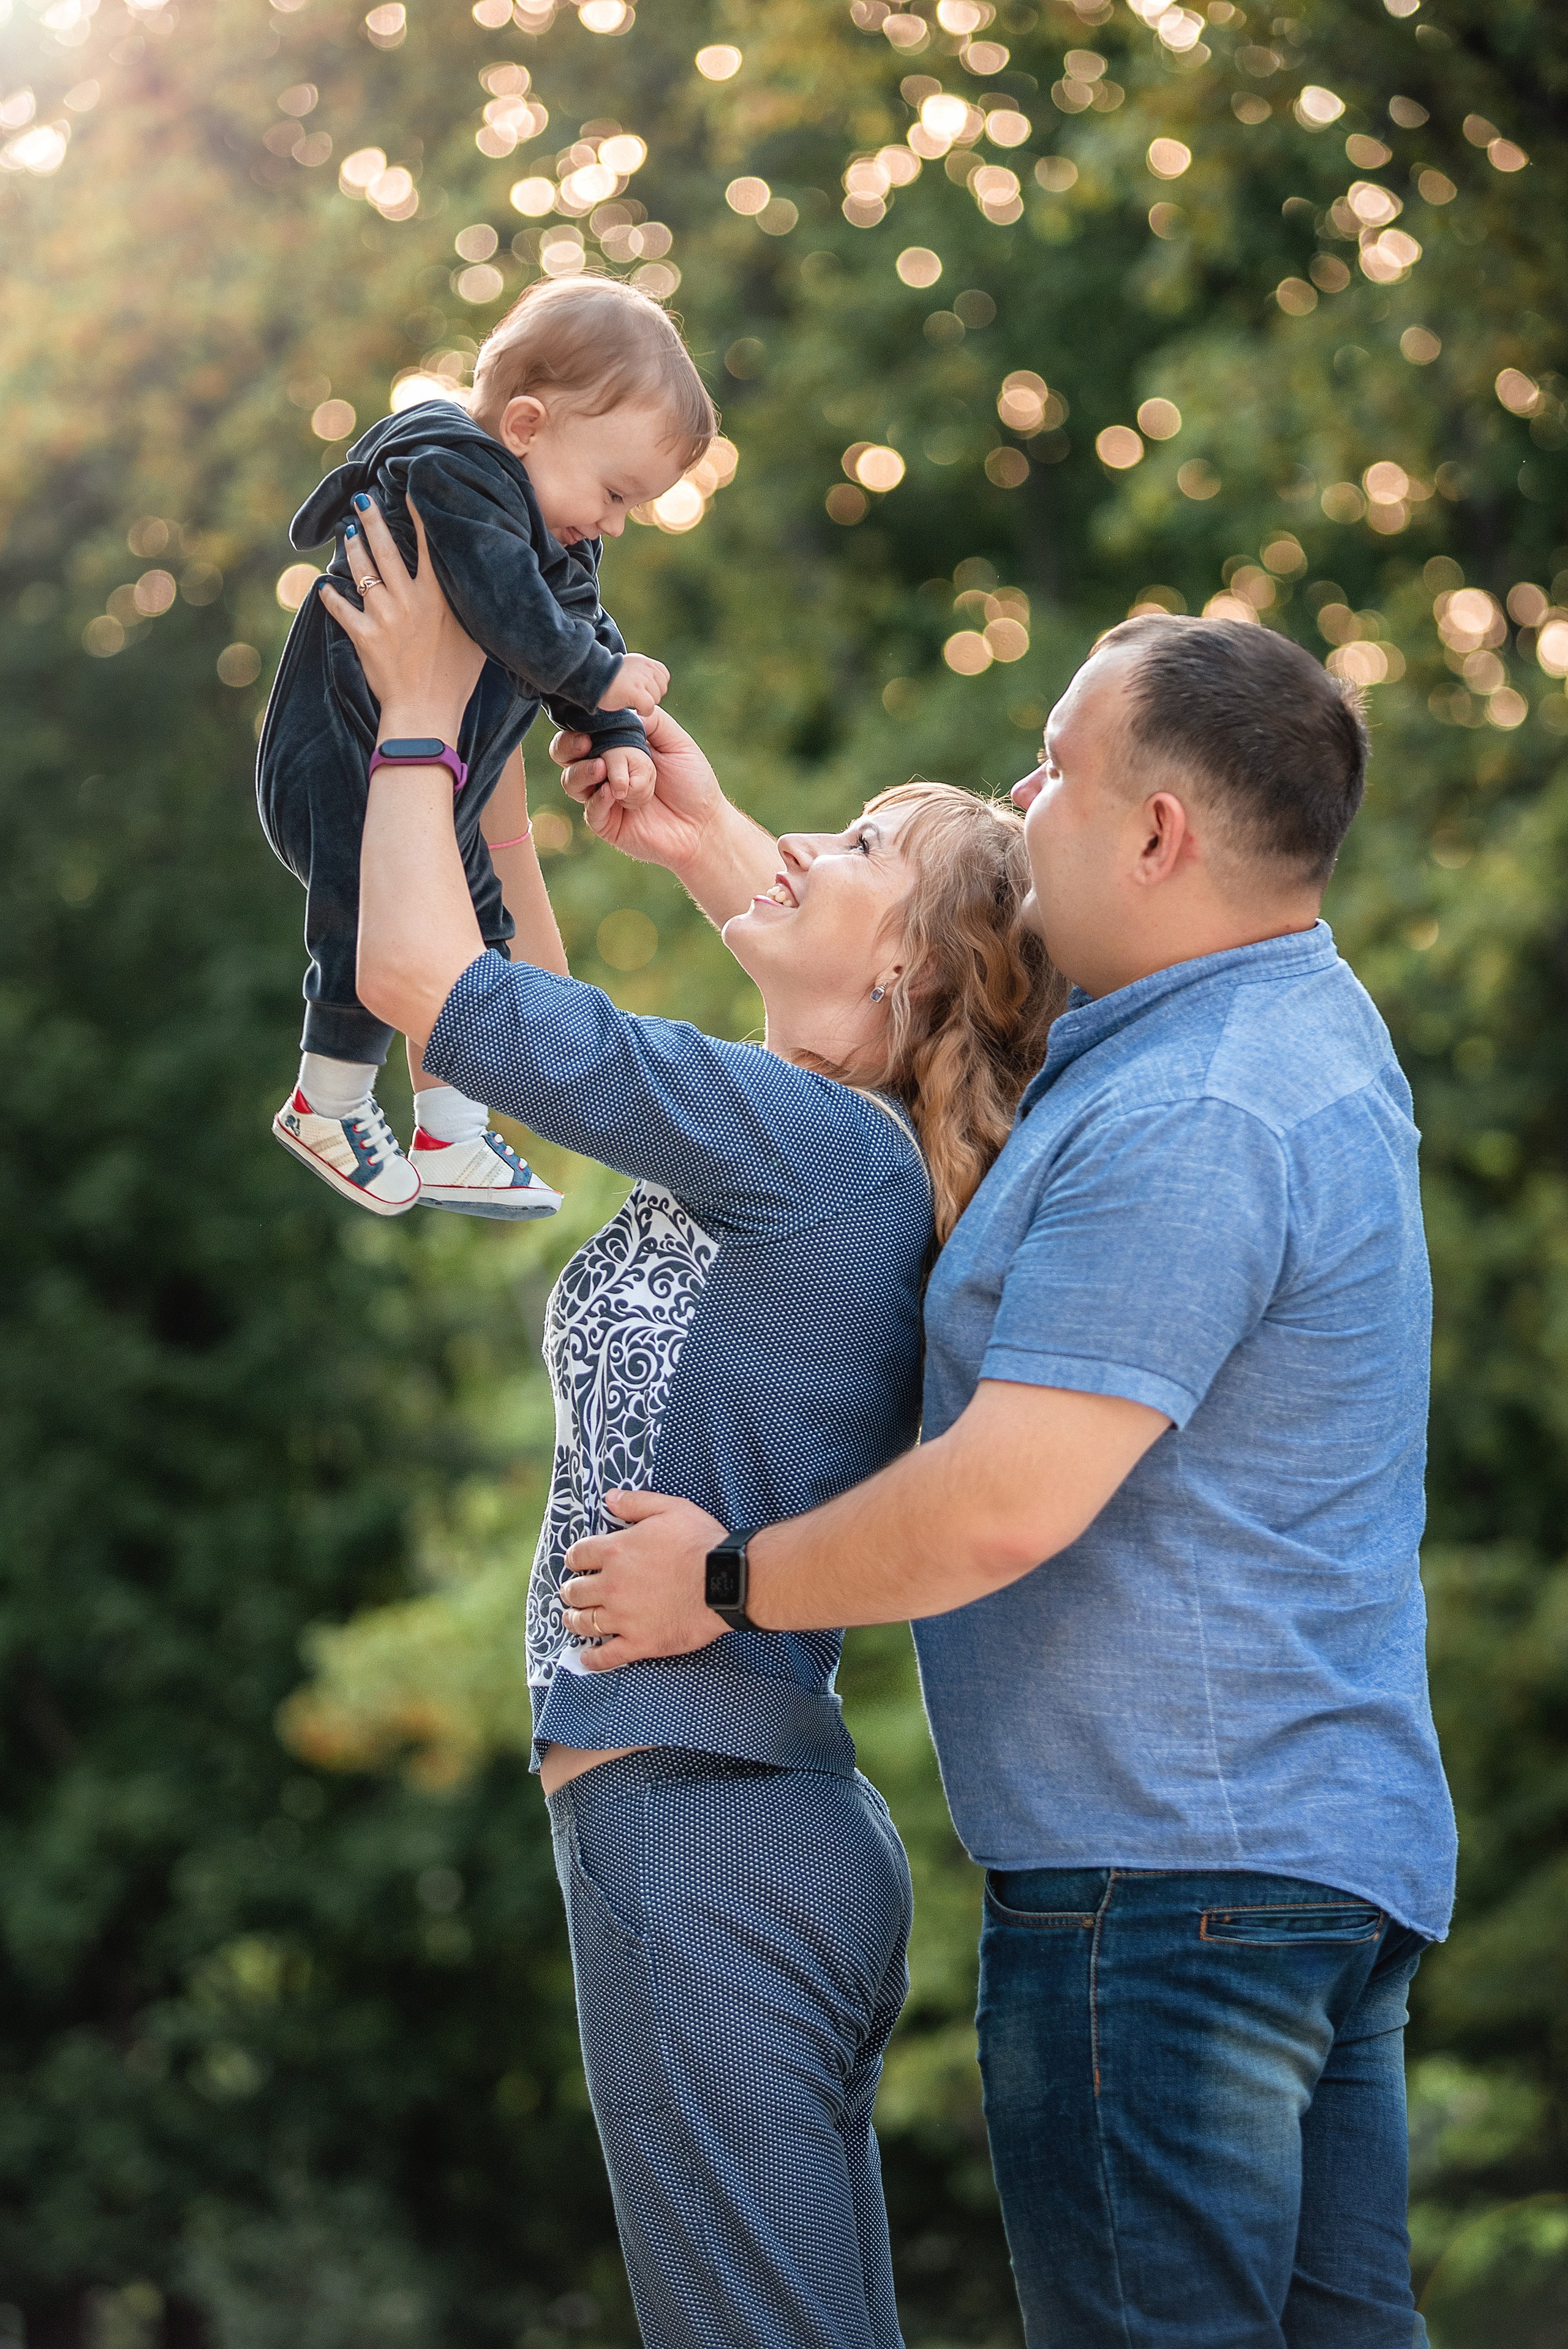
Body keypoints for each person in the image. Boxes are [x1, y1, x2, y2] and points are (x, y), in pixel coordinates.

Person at [559, 614, 1459, 2347]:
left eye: (1056, 766)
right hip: (1290, 1863)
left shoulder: (1198, 1107)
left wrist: (726, 1579)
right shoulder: (1246, 1030)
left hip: (1169, 1899)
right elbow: (928, 985)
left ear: (1157, 836)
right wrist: (710, 838)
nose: (1023, 794)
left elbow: (1003, 1501)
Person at [317, 493, 1062, 2349]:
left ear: (910, 974)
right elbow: (539, 1026)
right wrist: (507, 789)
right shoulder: (809, 1149)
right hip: (727, 1814)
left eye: (870, 843)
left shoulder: (821, 1149)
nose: (812, 843)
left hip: (699, 1819)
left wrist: (418, 701)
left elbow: (428, 987)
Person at [257, 277, 712, 1218]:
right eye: (616, 491)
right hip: (338, 758)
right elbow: (512, 612)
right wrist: (593, 677)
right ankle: (328, 1101)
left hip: (431, 779)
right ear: (529, 425)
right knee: (368, 917)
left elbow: (573, 623)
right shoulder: (452, 476)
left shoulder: (552, 523)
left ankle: (452, 1133)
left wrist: (611, 720)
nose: (616, 522)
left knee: (471, 939)